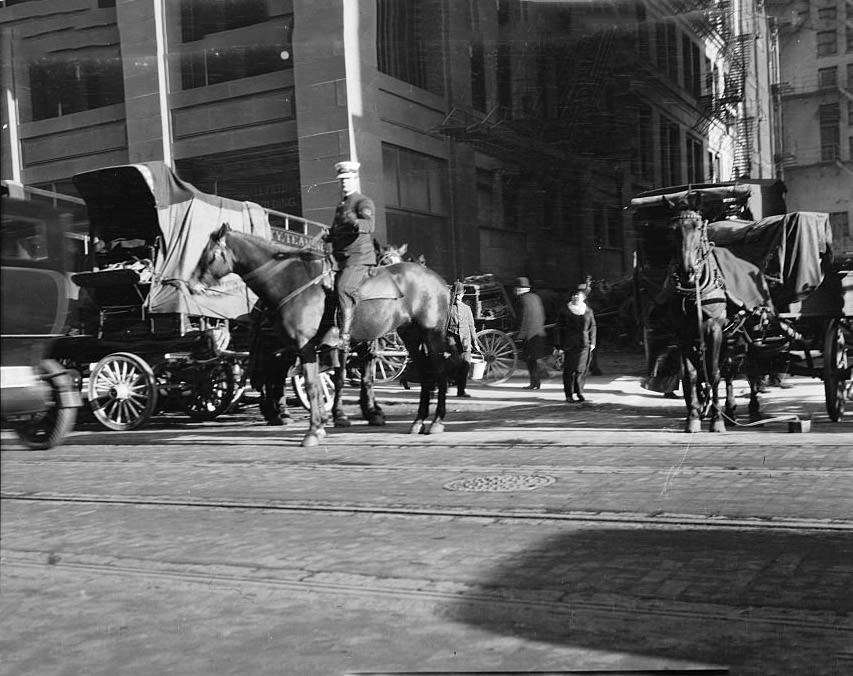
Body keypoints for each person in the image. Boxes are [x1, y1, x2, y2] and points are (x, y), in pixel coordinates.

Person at [324, 161, 377, 352]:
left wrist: (355, 220)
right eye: (342, 180)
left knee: (344, 288)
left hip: (359, 258)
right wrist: (328, 235)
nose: (344, 184)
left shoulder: (363, 202)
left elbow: (369, 226)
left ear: (355, 179)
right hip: (340, 259)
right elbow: (337, 230)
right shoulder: (341, 205)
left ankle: (344, 338)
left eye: (348, 180)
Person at [554, 283, 597, 403]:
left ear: (583, 297)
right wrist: (558, 346)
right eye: (574, 295)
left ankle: (579, 393)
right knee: (569, 371)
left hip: (584, 345)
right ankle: (568, 395)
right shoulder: (565, 311)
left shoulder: (588, 311)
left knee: (581, 370)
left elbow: (593, 326)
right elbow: (558, 328)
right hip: (569, 345)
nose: (576, 297)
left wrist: (592, 342)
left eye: (578, 295)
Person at [447, 280, 479, 397]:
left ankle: (461, 391)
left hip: (465, 341)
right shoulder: (447, 308)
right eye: (455, 295)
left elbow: (471, 326)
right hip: (451, 339)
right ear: (451, 294)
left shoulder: (467, 308)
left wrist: (475, 342)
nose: (457, 297)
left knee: (465, 365)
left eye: (459, 295)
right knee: (454, 362)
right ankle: (449, 382)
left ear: (463, 294)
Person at [515, 277, 547, 390]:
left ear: (519, 289)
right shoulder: (536, 297)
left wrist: (520, 335)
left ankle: (534, 383)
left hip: (529, 334)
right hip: (538, 332)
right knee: (534, 359)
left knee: (530, 361)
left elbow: (524, 319)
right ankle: (536, 383)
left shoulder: (521, 299)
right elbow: (542, 315)